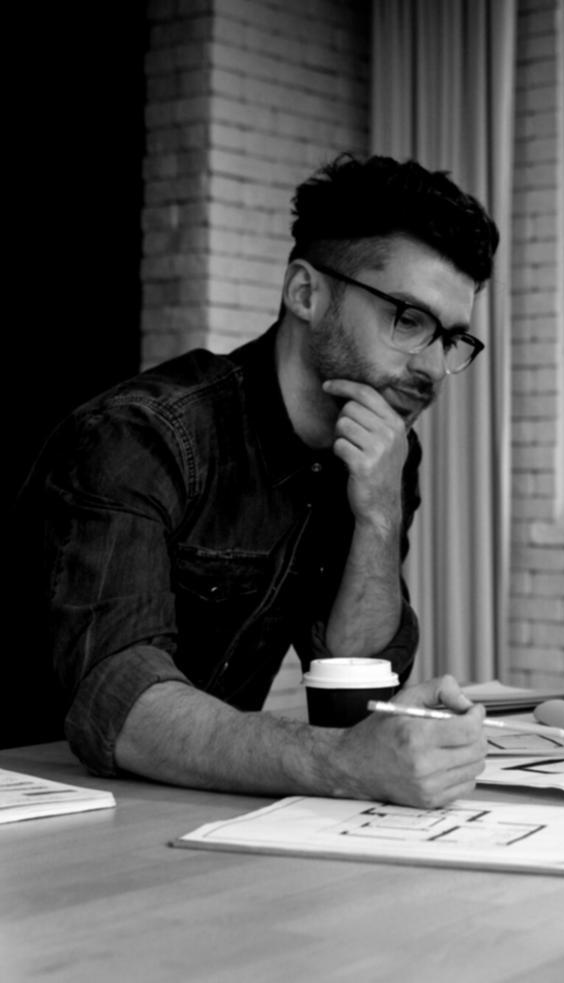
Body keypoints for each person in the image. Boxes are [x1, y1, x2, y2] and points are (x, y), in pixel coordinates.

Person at [13, 155, 500, 809]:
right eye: (408, 320)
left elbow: (354, 685)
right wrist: (342, 763)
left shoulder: (381, 453)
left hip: (183, 801)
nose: (435, 369)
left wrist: (378, 514)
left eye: (451, 339)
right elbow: (119, 701)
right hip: (34, 802)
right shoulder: (141, 434)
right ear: (306, 292)